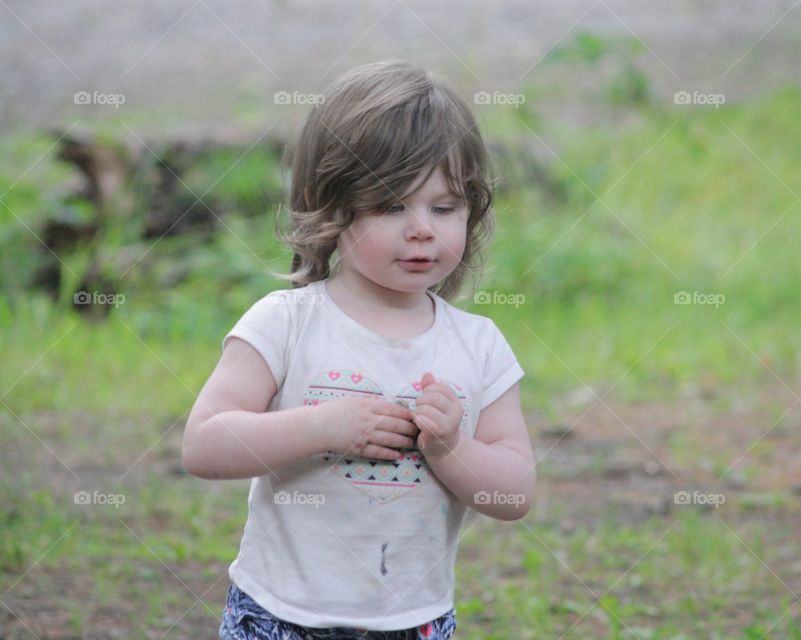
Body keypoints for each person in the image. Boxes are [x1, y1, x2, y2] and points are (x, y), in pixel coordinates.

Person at [181, 59, 536, 640]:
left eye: (444, 207)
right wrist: (324, 427)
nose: (422, 228)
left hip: (413, 623)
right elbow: (204, 444)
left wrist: (451, 448)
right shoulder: (287, 322)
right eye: (392, 206)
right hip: (277, 616)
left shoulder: (479, 346)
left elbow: (514, 492)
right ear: (331, 204)